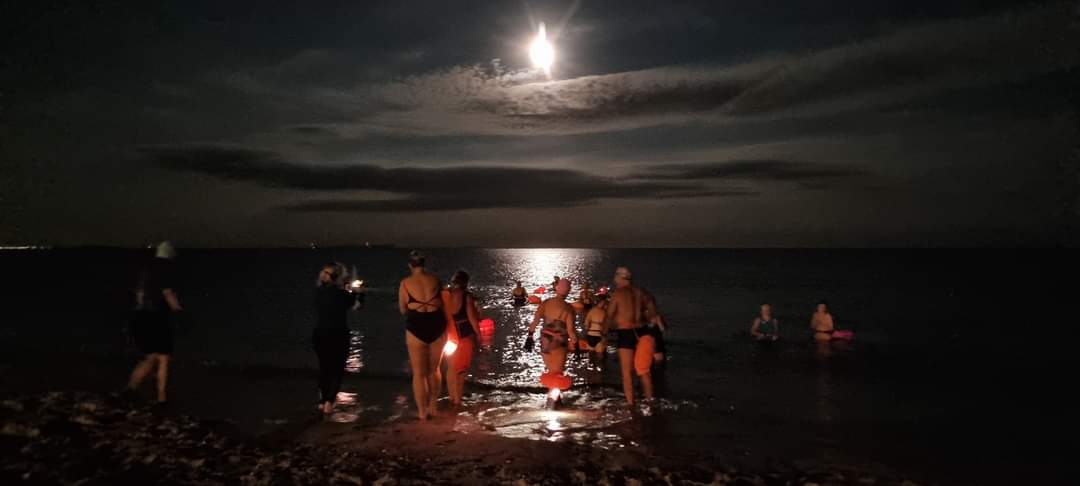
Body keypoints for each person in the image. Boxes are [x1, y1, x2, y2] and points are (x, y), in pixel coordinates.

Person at [126, 241, 183, 405]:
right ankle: (161, 397)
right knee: (163, 358)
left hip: (143, 317)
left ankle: (131, 388)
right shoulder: (167, 271)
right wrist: (179, 310)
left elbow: (139, 294)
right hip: (159, 318)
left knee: (149, 357)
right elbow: (168, 293)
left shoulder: (147, 272)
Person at [398, 251, 447, 420]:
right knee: (434, 369)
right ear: (424, 264)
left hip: (416, 325)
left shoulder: (405, 283)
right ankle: (433, 406)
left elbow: (403, 309)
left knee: (419, 373)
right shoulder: (435, 280)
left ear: (410, 265)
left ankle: (422, 412)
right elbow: (442, 302)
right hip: (437, 324)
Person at [312, 262, 361, 414]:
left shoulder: (318, 292)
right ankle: (329, 402)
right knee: (337, 370)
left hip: (320, 334)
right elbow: (358, 306)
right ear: (338, 277)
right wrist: (357, 291)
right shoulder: (343, 295)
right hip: (338, 334)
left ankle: (322, 401)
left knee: (324, 368)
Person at [604, 266, 654, 405]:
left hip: (625, 332)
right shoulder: (640, 292)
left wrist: (603, 333)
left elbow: (609, 316)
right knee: (644, 371)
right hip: (642, 331)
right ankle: (650, 402)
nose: (614, 279)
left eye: (615, 276)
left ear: (620, 277)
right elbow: (651, 307)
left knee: (627, 373)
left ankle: (631, 405)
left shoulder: (618, 293)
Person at [524, 278, 577, 378]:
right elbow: (571, 331)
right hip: (560, 342)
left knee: (550, 372)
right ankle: (557, 391)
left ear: (557, 288)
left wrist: (529, 337)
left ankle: (547, 390)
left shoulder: (545, 303)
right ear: (568, 291)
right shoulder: (569, 308)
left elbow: (534, 323)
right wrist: (576, 346)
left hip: (546, 341)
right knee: (558, 373)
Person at [444, 270, 481, 407]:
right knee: (462, 369)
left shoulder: (446, 295)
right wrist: (479, 335)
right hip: (464, 336)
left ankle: (451, 396)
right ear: (466, 282)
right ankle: (458, 400)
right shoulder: (467, 297)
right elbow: (472, 318)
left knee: (451, 368)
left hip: (448, 336)